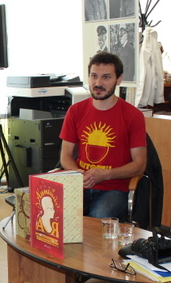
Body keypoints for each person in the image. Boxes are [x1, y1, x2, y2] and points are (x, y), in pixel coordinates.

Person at [59, 52, 146, 220]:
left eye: (106, 77)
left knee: (98, 218)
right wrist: (76, 173)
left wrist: (105, 174)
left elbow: (140, 165)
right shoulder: (75, 111)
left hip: (114, 188)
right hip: (79, 185)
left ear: (118, 80)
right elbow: (65, 156)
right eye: (94, 76)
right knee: (53, 212)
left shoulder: (133, 115)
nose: (98, 83)